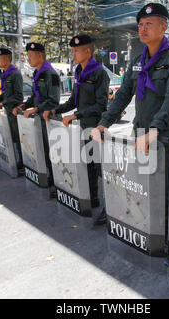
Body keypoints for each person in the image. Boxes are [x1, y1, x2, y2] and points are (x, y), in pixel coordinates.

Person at [91, 3, 169, 227]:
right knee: (140, 180)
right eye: (141, 25)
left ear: (163, 27)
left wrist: (155, 130)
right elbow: (123, 95)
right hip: (140, 132)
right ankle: (142, 223)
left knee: (163, 185)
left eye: (149, 25)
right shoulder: (137, 61)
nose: (143, 29)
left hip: (162, 134)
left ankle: (164, 234)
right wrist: (103, 124)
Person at [43, 34, 110, 225]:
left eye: (76, 51)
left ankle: (109, 208)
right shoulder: (80, 72)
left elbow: (101, 105)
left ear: (87, 51)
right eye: (72, 50)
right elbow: (74, 101)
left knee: (100, 170)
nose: (73, 54)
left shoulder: (99, 73)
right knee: (87, 166)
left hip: (96, 129)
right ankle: (92, 200)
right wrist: (56, 110)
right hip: (83, 128)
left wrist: (76, 115)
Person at [12, 42, 61, 197]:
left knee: (53, 152)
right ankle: (49, 177)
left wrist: (37, 109)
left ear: (40, 55)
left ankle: (57, 183)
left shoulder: (50, 74)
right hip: (39, 119)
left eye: (31, 56)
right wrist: (25, 105)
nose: (28, 59)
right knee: (43, 150)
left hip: (50, 119)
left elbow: (54, 99)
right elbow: (35, 96)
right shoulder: (37, 73)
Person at [0, 48, 24, 169]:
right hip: (7, 110)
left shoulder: (15, 74)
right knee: (12, 136)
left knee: (18, 137)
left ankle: (23, 162)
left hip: (14, 111)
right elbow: (6, 93)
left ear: (7, 59)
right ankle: (17, 158)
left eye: (0, 58)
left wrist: (3, 103)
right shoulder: (6, 74)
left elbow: (18, 96)